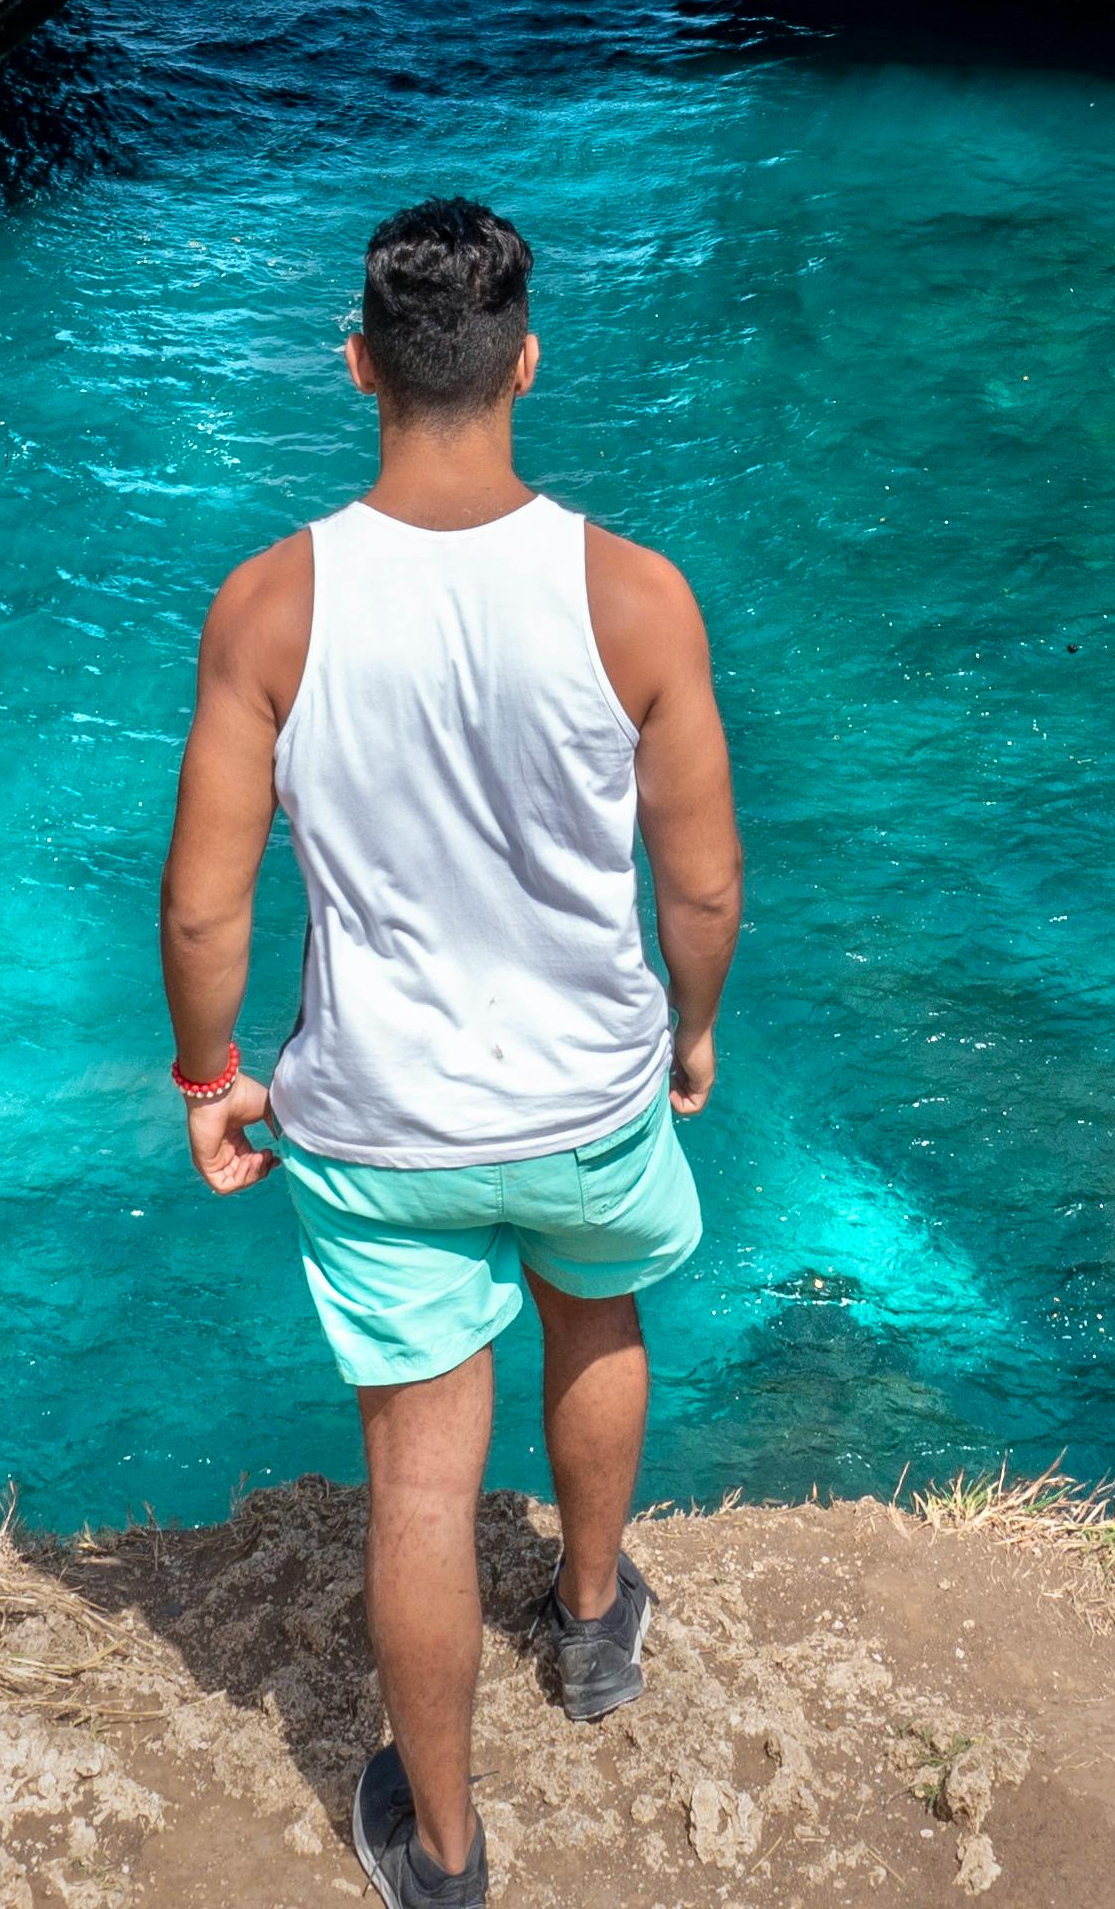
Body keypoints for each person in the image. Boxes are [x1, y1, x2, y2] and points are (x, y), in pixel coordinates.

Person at [159, 197, 745, 1909]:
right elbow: (699, 881)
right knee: (598, 1314)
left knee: (422, 1477)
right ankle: (589, 1621)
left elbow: (205, 915)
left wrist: (212, 1080)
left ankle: (446, 1845)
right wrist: (691, 1029)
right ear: (528, 364)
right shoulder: (634, 596)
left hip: (385, 1125)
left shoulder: (274, 606)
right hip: (586, 1097)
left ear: (360, 369)